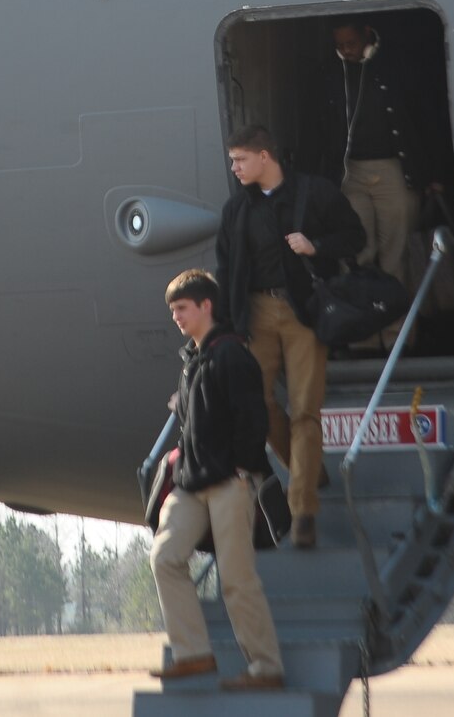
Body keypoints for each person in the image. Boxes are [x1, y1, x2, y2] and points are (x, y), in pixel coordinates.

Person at [215, 124, 364, 549]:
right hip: (256, 314)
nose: (234, 167)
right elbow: (226, 273)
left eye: (240, 159)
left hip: (303, 312)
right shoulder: (235, 211)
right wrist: (225, 330)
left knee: (305, 410)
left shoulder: (314, 194)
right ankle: (307, 469)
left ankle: (303, 510)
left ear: (266, 157)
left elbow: (355, 237)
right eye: (232, 160)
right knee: (257, 407)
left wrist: (315, 246)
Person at [148, 270, 284, 692]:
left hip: (230, 482)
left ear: (206, 306)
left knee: (237, 580)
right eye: (172, 310)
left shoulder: (233, 356)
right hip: (191, 484)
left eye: (182, 308)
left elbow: (254, 420)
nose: (176, 317)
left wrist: (244, 470)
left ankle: (265, 668)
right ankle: (193, 654)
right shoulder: (192, 360)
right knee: (165, 557)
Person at [322, 19, 437, 282]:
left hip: (395, 169)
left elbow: (427, 119)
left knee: (396, 253)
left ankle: (398, 324)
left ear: (366, 34)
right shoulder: (329, 71)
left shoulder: (399, 63)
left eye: (351, 43)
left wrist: (433, 172)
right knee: (354, 249)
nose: (346, 50)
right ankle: (361, 319)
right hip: (348, 172)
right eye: (339, 45)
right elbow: (316, 130)